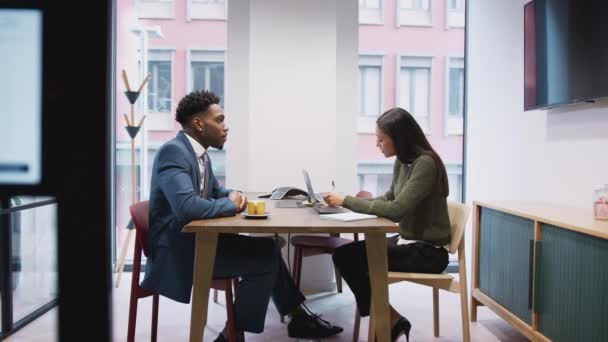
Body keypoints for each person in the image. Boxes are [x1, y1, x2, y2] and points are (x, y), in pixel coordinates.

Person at [141, 90, 343, 341]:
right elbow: (187, 207)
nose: (226, 127)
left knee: (267, 248)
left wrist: (235, 195)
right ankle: (233, 335)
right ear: (198, 124)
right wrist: (230, 204)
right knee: (264, 259)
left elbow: (215, 191)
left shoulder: (198, 154)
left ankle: (296, 316)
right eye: (220, 120)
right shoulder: (174, 152)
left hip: (197, 243)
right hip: (180, 252)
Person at [325, 107, 451, 342]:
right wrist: (347, 203)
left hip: (428, 252)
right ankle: (389, 319)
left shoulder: (426, 164)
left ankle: (385, 323)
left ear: (399, 139)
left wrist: (348, 201)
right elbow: (389, 198)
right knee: (344, 254)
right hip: (408, 242)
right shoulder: (403, 162)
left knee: (350, 258)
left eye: (381, 139)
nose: (377, 144)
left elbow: (396, 210)